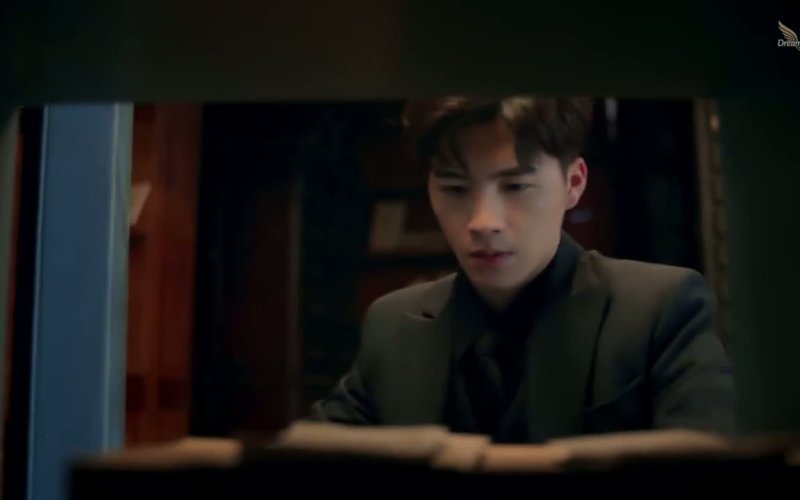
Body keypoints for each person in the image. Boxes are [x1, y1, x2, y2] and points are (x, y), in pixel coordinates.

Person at [307, 96, 736, 443]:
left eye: (515, 186)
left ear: (574, 183)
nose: (483, 222)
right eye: (455, 188)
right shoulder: (393, 325)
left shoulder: (659, 308)